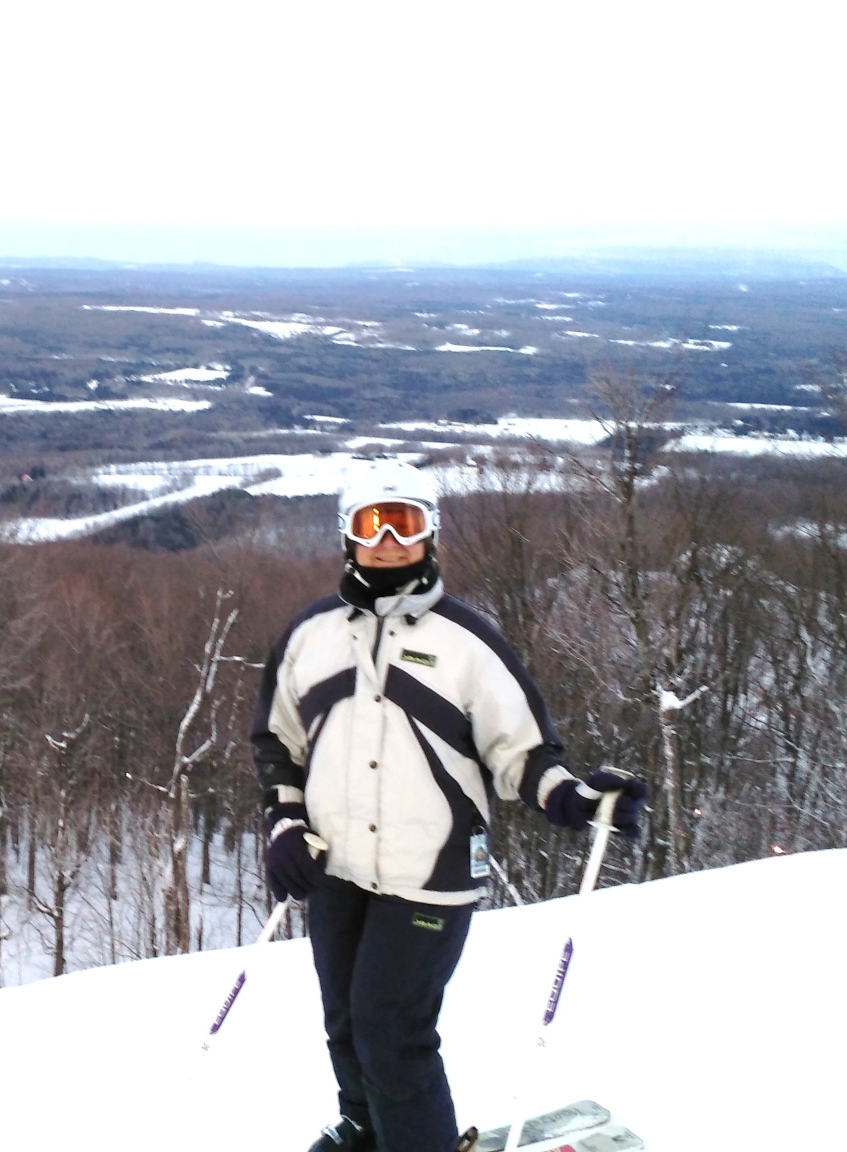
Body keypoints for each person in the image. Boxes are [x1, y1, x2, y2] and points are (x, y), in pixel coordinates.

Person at [251, 463, 644, 1152]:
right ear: (348, 536)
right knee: (344, 1019)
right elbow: (278, 741)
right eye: (372, 524)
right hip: (334, 865)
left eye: (405, 523)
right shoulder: (310, 635)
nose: (389, 541)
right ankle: (365, 1126)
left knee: (391, 1028)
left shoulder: (467, 643)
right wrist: (285, 822)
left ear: (430, 534)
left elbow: (521, 752)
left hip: (430, 871)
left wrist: (572, 798)